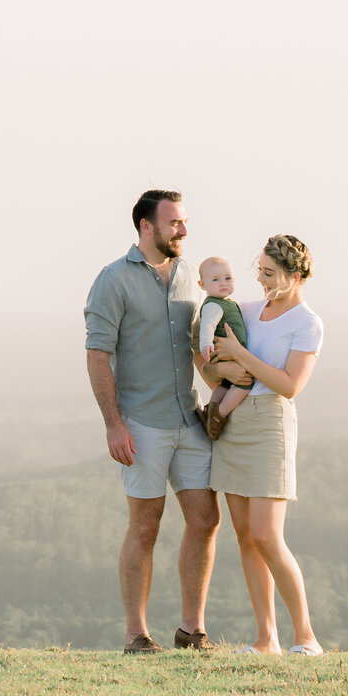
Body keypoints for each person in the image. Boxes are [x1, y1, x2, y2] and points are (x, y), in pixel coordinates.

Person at [83, 189, 254, 653]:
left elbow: (201, 346)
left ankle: (191, 631)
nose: (183, 229)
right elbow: (98, 355)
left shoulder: (190, 279)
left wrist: (228, 383)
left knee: (205, 518)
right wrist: (113, 424)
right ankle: (137, 635)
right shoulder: (112, 280)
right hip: (141, 424)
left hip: (189, 417)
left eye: (183, 222)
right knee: (146, 524)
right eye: (174, 222)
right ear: (146, 226)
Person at [207, 233, 325, 655]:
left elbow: (290, 385)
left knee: (267, 536)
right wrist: (223, 368)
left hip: (270, 424)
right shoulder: (247, 311)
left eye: (269, 273)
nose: (259, 280)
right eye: (258, 271)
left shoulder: (307, 323)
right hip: (233, 422)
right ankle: (266, 639)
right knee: (244, 536)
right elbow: (215, 369)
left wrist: (241, 354)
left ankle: (306, 637)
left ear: (294, 276)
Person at [192, 256, 250, 440]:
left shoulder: (227, 302)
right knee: (244, 383)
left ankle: (210, 410)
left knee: (225, 385)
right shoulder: (213, 305)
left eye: (227, 278)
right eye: (215, 280)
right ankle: (219, 416)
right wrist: (206, 345)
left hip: (228, 354)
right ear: (202, 285)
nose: (222, 283)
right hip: (225, 355)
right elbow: (207, 326)